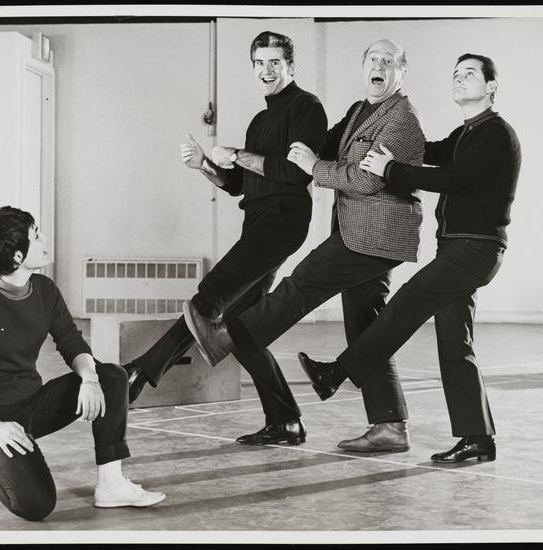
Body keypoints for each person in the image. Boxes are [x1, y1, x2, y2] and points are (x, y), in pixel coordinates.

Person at [183, 39, 425, 449]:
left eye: (389, 60)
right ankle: (390, 426)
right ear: (363, 67)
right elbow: (319, 146)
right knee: (365, 328)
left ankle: (227, 337)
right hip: (361, 232)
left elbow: (367, 179)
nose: (379, 65)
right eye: (373, 59)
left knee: (302, 283)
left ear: (402, 71)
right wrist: (262, 160)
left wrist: (313, 167)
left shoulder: (401, 118)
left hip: (375, 234)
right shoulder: (360, 111)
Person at [297, 53, 521, 463]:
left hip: (475, 248)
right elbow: (427, 152)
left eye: (470, 74)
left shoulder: (495, 133)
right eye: (456, 74)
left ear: (491, 86)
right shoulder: (466, 133)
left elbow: (453, 179)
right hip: (456, 247)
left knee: (405, 305)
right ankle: (478, 439)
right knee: (454, 343)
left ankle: (337, 373)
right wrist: (384, 142)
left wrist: (390, 170)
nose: (459, 79)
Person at [122, 31, 327, 445]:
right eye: (259, 63)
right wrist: (204, 165)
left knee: (212, 294)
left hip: (283, 221)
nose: (266, 70)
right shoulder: (260, 121)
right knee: (241, 327)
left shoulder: (307, 107)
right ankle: (286, 421)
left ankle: (141, 371)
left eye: (275, 62)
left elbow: (294, 172)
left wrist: (234, 154)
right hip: (259, 220)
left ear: (290, 66)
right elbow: (238, 184)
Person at [0, 206, 165, 522]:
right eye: (36, 235)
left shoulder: (44, 290)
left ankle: (112, 485)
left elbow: (72, 343)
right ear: (17, 256)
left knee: (112, 376)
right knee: (36, 505)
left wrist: (90, 380)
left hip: (33, 405)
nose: (44, 238)